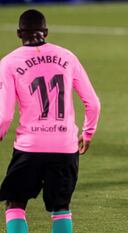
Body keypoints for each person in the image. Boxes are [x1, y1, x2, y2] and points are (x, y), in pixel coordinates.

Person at [0, 9, 101, 233]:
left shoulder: (8, 63)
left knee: (15, 203)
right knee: (61, 206)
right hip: (65, 146)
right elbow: (93, 103)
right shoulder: (67, 56)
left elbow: (5, 115)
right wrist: (87, 133)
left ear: (19, 33)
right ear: (45, 31)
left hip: (29, 146)